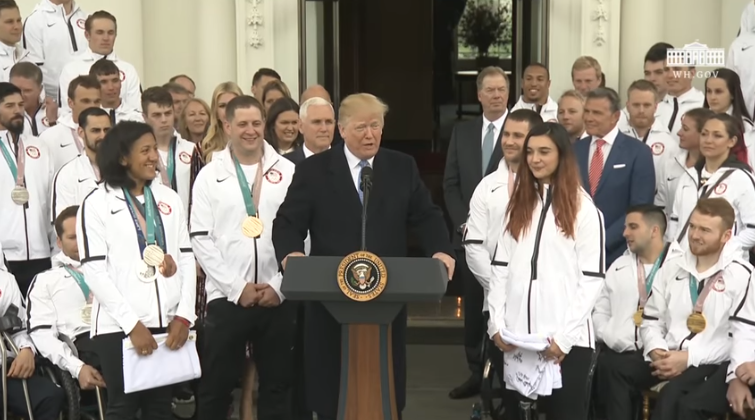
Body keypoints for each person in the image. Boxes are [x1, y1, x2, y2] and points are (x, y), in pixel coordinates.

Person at [272, 93, 455, 420]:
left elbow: (426, 215)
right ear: (342, 130)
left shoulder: (401, 166)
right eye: (361, 127)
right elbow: (287, 222)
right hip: (330, 296)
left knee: (385, 390)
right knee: (331, 389)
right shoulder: (314, 170)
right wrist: (292, 255)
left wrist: (440, 249)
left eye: (376, 126)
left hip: (386, 295)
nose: (370, 134)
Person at [76, 121, 196, 419]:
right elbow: (94, 271)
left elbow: (186, 259)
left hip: (167, 323)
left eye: (155, 148)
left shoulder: (169, 198)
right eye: (145, 150)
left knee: (160, 409)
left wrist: (184, 316)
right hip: (118, 327)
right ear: (122, 158)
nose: (154, 156)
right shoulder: (97, 203)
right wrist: (132, 325)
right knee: (122, 408)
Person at [488, 122, 605, 420]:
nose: (535, 159)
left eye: (544, 152)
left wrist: (564, 338)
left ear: (562, 155)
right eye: (530, 152)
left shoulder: (584, 210)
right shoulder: (517, 206)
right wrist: (496, 324)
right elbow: (500, 269)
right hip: (517, 339)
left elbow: (592, 280)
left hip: (565, 343)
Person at [191, 95, 297, 420]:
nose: (250, 131)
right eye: (242, 124)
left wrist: (280, 285)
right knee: (216, 388)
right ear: (227, 126)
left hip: (277, 296)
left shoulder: (289, 171)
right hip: (227, 297)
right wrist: (236, 288)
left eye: (256, 123)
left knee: (278, 387)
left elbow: (303, 233)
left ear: (264, 125)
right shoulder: (210, 175)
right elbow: (200, 238)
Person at [640, 198, 752, 420]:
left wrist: (689, 357)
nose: (695, 235)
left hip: (714, 362)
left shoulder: (742, 275)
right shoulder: (672, 266)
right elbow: (651, 319)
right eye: (692, 226)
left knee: (677, 400)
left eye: (705, 230)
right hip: (668, 354)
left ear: (726, 236)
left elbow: (742, 337)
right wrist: (657, 350)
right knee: (613, 370)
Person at [443, 66, 508, 399]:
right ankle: (475, 372)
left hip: (509, 239)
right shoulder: (462, 132)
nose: (497, 95)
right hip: (469, 239)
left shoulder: (520, 129)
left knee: (505, 308)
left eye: (502, 89)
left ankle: (503, 377)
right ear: (479, 95)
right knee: (473, 310)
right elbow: (450, 184)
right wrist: (465, 224)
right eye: (490, 90)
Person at [593, 205, 682, 420]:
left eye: (633, 227)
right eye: (625, 227)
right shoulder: (619, 265)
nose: (625, 233)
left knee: (613, 370)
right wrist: (608, 334)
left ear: (654, 231)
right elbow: (601, 309)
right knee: (601, 366)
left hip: (659, 355)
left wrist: (660, 350)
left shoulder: (680, 267)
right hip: (617, 351)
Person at [464, 109, 543, 329]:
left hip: (544, 303)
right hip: (497, 303)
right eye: (506, 134)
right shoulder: (486, 186)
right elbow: (473, 246)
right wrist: (500, 287)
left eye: (517, 136)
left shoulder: (552, 185)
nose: (508, 141)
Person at [574, 87, 656, 266]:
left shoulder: (637, 152)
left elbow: (640, 207)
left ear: (616, 116)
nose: (589, 118)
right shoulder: (574, 150)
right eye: (587, 111)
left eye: (597, 113)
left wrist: (602, 241)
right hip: (576, 252)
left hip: (618, 253)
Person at [28, 205, 106, 389]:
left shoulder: (113, 270)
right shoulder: (45, 281)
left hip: (123, 334)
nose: (80, 242)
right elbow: (42, 335)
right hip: (83, 343)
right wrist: (77, 367)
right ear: (59, 242)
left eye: (85, 234)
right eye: (72, 237)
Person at [667, 113, 755, 254]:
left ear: (732, 141)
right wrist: (674, 249)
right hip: (683, 261)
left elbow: (752, 229)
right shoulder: (688, 175)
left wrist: (723, 249)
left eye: (717, 136)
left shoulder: (740, 178)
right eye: (704, 134)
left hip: (723, 263)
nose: (708, 140)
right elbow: (675, 220)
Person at [0, 82, 55, 296]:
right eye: (9, 105)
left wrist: (54, 247)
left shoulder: (39, 146)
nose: (17, 110)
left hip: (41, 253)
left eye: (20, 104)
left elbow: (50, 199)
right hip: (5, 258)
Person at [0, 266, 65, 418]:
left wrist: (26, 349)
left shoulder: (5, 280)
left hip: (4, 369)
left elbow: (19, 327)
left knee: (50, 397)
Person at [51, 107, 111, 220]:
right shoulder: (67, 174)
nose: (103, 136)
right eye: (96, 130)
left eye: (107, 130)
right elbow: (64, 223)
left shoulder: (126, 168)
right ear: (81, 132)